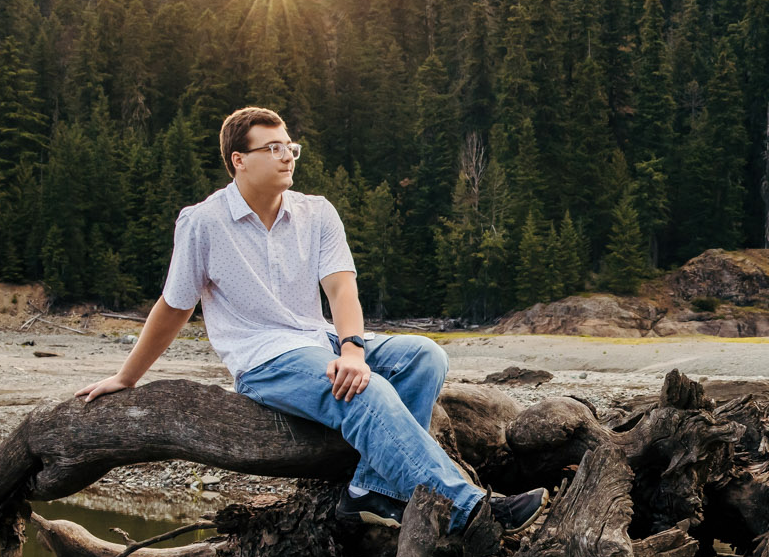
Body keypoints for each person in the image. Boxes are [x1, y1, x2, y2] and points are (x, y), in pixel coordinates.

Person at [77, 105, 543, 532]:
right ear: (239, 159)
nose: (287, 156)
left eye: (290, 147)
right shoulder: (203, 223)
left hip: (317, 338)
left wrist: (352, 348)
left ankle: (370, 489)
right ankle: (470, 511)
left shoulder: (316, 212)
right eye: (273, 148)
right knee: (368, 392)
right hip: (264, 361)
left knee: (425, 356)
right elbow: (174, 306)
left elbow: (341, 288)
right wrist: (127, 376)